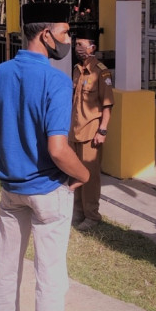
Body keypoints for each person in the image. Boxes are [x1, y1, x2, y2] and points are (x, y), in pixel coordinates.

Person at [0, 2, 90, 311]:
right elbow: (58, 149)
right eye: (65, 31)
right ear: (46, 34)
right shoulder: (56, 81)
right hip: (48, 192)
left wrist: (10, 158)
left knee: (7, 273)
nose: (68, 39)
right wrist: (85, 173)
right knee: (50, 281)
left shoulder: (0, 72)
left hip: (12, 189)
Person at [70, 27, 114, 231]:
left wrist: (102, 130)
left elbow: (107, 105)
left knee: (89, 176)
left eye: (81, 44)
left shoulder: (101, 73)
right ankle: (77, 212)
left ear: (92, 47)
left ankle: (92, 216)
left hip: (91, 133)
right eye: (76, 44)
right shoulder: (77, 70)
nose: (77, 48)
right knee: (75, 173)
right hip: (75, 132)